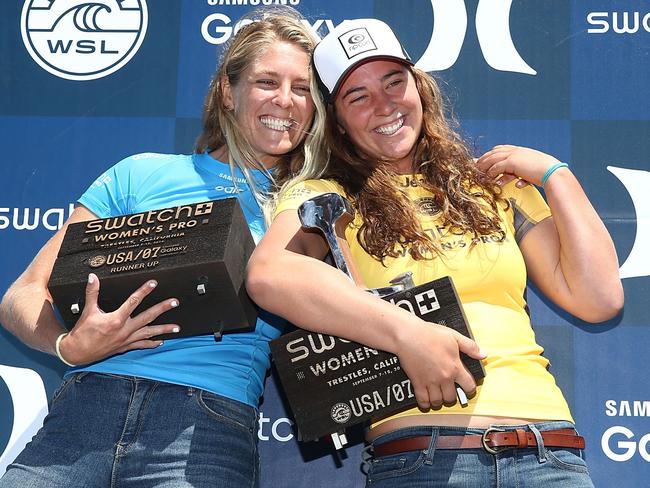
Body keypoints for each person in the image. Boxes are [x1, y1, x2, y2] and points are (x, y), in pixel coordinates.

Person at [246, 18, 623, 487]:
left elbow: (599, 298)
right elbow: (269, 275)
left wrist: (557, 176)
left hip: (548, 450)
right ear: (337, 120)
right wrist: (409, 334)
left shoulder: (491, 186)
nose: (384, 105)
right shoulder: (327, 195)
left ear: (420, 87)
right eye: (357, 96)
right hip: (422, 455)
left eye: (393, 82)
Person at [0, 8, 321, 488]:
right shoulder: (140, 173)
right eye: (267, 82)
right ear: (227, 93)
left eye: (303, 89)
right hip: (83, 413)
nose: (285, 101)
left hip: (205, 430)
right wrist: (68, 346)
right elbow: (22, 295)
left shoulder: (310, 205)